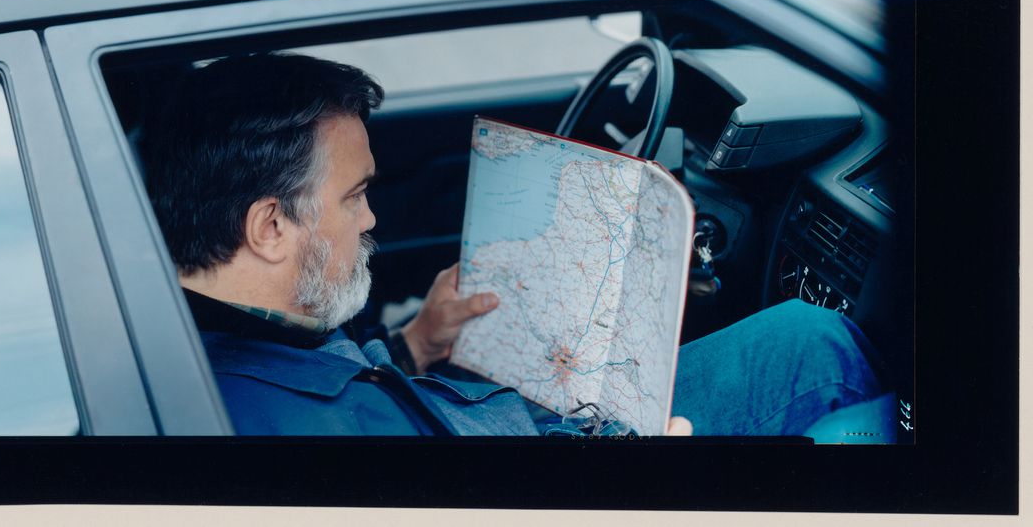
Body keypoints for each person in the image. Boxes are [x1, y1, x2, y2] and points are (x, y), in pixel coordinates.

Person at [142, 52, 884, 437]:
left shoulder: (206, 340)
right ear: (269, 227)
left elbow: (345, 388)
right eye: (356, 195)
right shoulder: (268, 423)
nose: (371, 221)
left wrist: (411, 347)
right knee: (815, 349)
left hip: (482, 411)